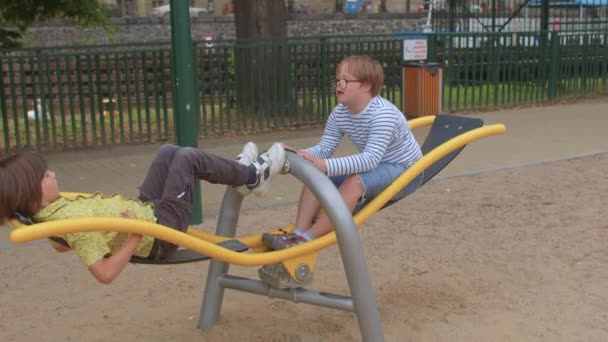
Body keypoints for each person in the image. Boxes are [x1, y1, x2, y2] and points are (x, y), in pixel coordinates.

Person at [0, 142, 285, 284]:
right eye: (44, 176)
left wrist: (75, 242)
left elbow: (61, 246)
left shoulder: (52, 218)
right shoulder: (70, 224)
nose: (52, 173)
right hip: (160, 232)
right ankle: (251, 176)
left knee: (167, 152)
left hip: (145, 210)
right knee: (187, 158)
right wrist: (134, 238)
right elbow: (105, 273)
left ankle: (237, 173)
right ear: (32, 194)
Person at [262, 55, 423, 250]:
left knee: (353, 182)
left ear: (366, 86)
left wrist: (325, 165)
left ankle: (308, 238)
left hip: (406, 170)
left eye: (346, 80)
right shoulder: (340, 113)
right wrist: (299, 154)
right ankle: (297, 233)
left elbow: (370, 160)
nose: (339, 85)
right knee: (315, 174)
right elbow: (325, 149)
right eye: (337, 80)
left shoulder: (383, 115)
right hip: (378, 164)